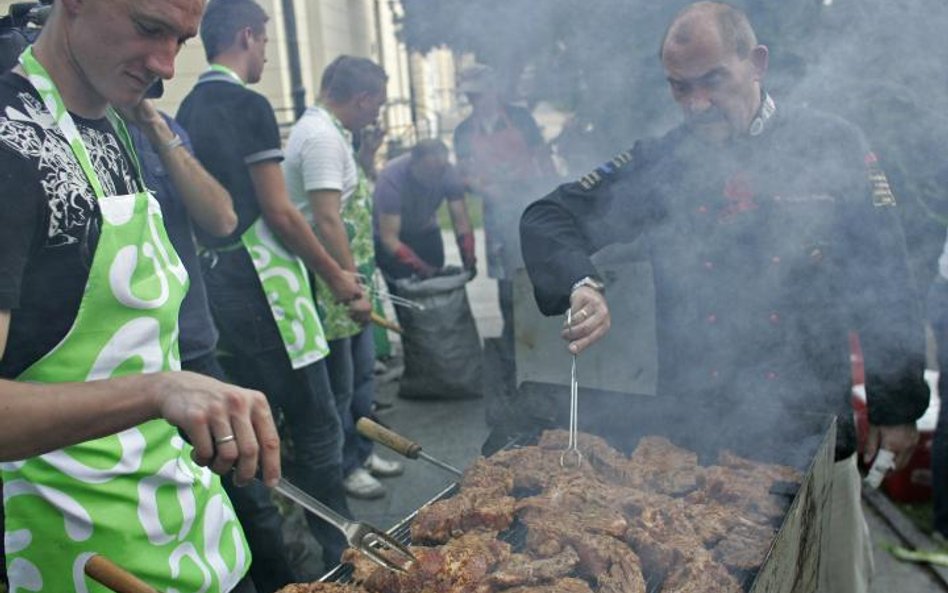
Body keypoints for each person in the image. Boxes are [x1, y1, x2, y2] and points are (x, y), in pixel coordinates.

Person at [519, 3, 929, 593]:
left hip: (812, 430)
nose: (696, 103)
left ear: (756, 62)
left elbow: (886, 275)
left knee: (833, 579)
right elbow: (549, 217)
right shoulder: (660, 163)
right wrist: (582, 283)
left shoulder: (833, 145)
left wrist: (897, 406)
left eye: (712, 80)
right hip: (696, 442)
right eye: (679, 88)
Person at [0, 0, 281, 591]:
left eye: (181, 40)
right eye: (149, 28)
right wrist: (160, 389)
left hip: (185, 528)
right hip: (76, 551)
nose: (165, 66)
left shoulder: (115, 122)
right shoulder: (9, 143)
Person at [177, 0, 361, 568]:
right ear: (248, 36)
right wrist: (336, 277)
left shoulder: (187, 105)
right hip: (269, 291)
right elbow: (280, 212)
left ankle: (280, 559)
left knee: (256, 427)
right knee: (317, 427)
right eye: (265, 44)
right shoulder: (248, 104)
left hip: (218, 294)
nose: (265, 56)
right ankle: (339, 556)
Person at [127, 99, 297, 593]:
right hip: (112, 381)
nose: (165, 61)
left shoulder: (163, 128)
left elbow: (221, 218)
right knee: (162, 526)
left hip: (193, 352)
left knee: (250, 500)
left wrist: (157, 130)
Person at [284, 55, 402, 500]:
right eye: (379, 104)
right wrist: (349, 283)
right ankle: (347, 465)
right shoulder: (320, 138)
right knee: (340, 384)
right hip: (333, 280)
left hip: (350, 275)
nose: (379, 113)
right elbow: (327, 219)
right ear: (362, 98)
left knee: (360, 378)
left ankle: (363, 450)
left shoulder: (335, 134)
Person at [454, 64, 556, 356]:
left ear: (493, 91)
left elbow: (541, 157)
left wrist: (552, 192)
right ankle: (512, 339)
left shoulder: (521, 119)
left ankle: (540, 336)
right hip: (495, 211)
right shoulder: (464, 131)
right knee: (503, 278)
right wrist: (484, 188)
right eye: (470, 97)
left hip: (529, 203)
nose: (474, 102)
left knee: (533, 269)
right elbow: (464, 174)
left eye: (479, 95)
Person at [373, 139, 476, 280]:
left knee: (437, 287)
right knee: (405, 293)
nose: (435, 178)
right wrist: (421, 268)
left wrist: (468, 256)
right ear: (413, 164)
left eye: (440, 171)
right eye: (429, 171)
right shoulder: (391, 180)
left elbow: (461, 221)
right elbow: (389, 239)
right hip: (395, 240)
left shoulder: (448, 172)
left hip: (426, 231)